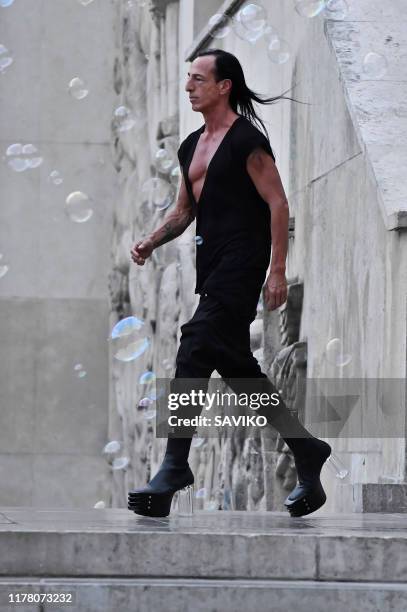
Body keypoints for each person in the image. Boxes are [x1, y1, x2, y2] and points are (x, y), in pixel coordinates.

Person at [128, 49, 331, 518]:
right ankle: (305, 449)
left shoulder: (246, 141)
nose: (188, 87)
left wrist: (277, 269)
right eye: (187, 79)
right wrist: (151, 241)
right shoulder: (191, 146)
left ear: (224, 86)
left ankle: (174, 466)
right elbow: (183, 211)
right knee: (236, 367)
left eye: (198, 79)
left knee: (196, 342)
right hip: (213, 266)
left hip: (244, 262)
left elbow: (278, 204)